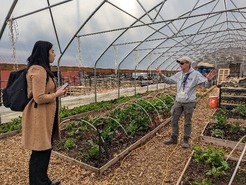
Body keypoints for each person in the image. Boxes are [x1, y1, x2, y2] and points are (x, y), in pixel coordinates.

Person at [21, 41, 66, 185]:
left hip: (44, 116)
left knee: (45, 150)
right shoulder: (39, 70)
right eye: (52, 51)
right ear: (44, 53)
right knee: (40, 152)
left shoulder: (43, 69)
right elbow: (38, 98)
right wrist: (56, 94)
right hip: (38, 116)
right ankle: (37, 182)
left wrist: (55, 92)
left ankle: (44, 181)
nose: (54, 54)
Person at [156, 56, 216, 148]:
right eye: (179, 63)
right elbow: (168, 81)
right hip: (178, 101)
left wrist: (208, 79)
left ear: (188, 63)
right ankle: (174, 138)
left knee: (187, 122)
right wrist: (161, 74)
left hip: (189, 102)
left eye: (182, 63)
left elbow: (206, 85)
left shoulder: (195, 74)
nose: (180, 65)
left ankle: (186, 139)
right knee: (174, 119)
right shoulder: (179, 75)